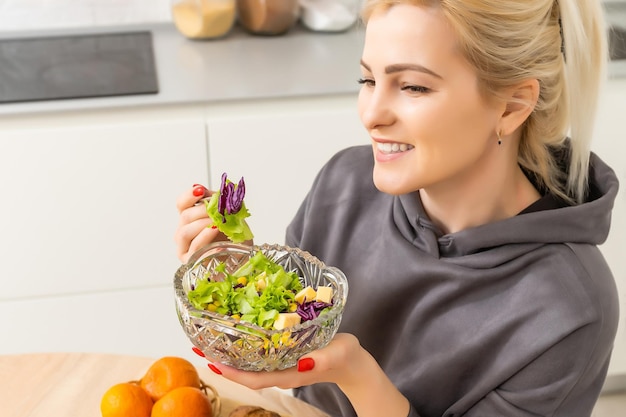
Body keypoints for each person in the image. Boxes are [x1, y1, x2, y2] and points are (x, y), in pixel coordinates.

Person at [174, 0, 620, 416]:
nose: (371, 114)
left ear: (512, 105)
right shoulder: (344, 183)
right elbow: (290, 332)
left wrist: (356, 375)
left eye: (412, 86)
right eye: (368, 80)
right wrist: (239, 275)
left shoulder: (569, 307)